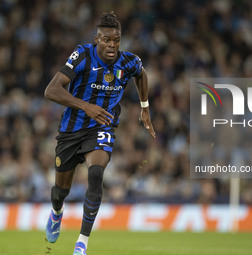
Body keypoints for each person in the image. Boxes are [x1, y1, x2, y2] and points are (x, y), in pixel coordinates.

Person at [44, 11, 156, 255]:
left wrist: (145, 107)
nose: (112, 45)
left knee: (96, 173)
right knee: (60, 190)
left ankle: (81, 243)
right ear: (97, 39)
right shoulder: (82, 55)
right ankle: (56, 212)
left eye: (116, 40)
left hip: (103, 126)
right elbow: (51, 90)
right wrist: (86, 106)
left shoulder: (128, 62)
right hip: (71, 130)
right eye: (107, 40)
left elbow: (142, 74)